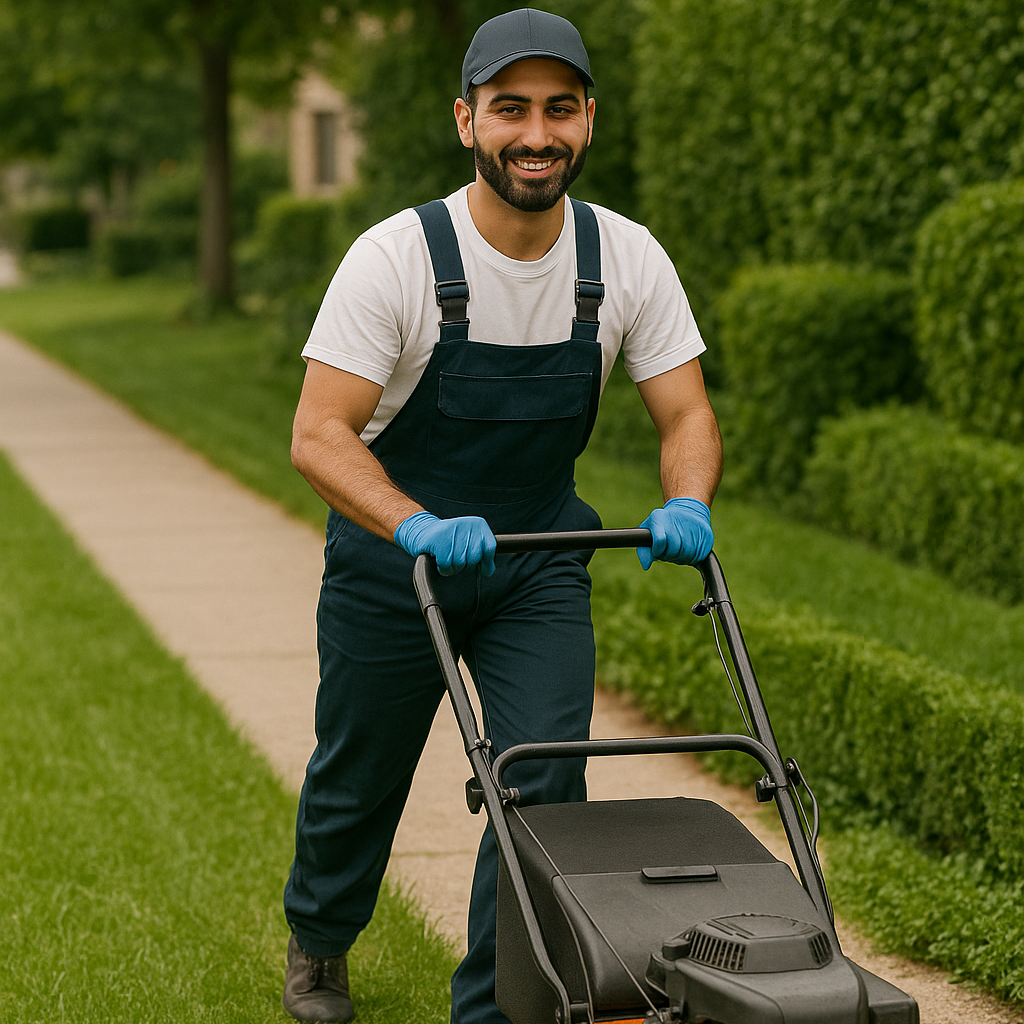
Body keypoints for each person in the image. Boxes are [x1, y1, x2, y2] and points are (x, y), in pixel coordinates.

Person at [281, 8, 723, 1024]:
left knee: (541, 784)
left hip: (538, 559)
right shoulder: (393, 258)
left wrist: (686, 496)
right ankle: (320, 937)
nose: (537, 133)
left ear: (588, 121)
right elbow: (319, 434)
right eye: (511, 108)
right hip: (398, 557)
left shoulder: (625, 257)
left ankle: (494, 1006)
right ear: (466, 120)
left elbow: (686, 408)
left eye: (558, 109)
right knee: (360, 771)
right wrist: (417, 526)